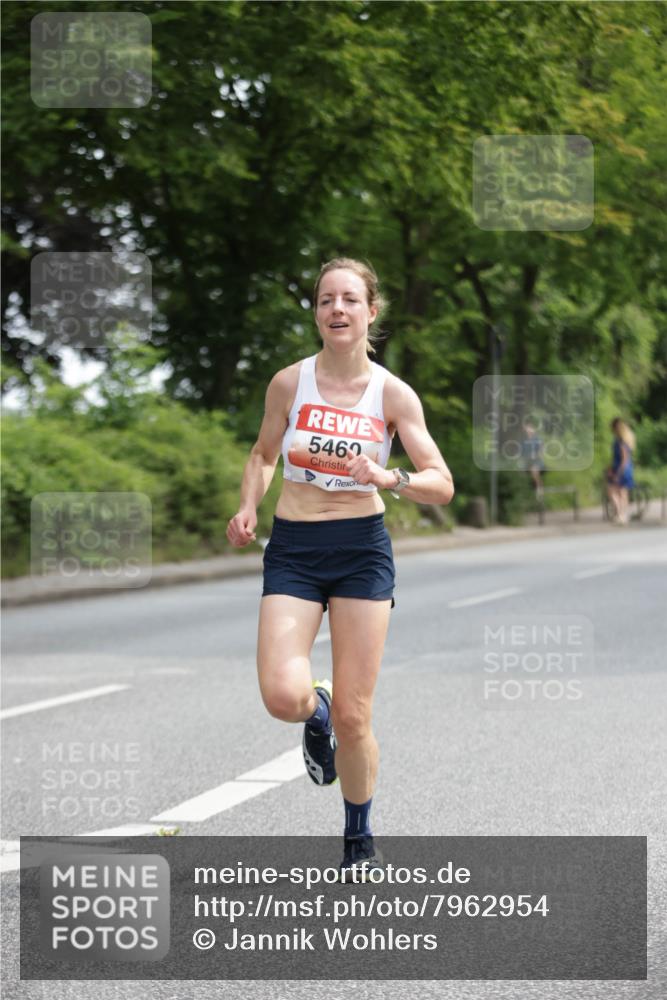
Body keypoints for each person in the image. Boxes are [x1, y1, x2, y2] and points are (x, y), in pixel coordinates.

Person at [226, 257, 454, 880]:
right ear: (318, 312)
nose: (337, 310)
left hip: (361, 550)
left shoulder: (392, 394)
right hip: (295, 549)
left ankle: (358, 837)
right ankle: (314, 712)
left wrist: (390, 476)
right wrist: (249, 505)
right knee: (282, 695)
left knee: (359, 715)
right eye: (327, 299)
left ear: (370, 311)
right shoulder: (287, 383)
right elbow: (263, 452)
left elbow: (442, 483)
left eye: (350, 299)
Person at [606, 417, 636, 525]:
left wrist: (617, 473)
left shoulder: (621, 442)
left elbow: (624, 460)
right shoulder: (624, 440)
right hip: (623, 468)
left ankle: (621, 515)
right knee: (622, 493)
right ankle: (622, 515)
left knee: (614, 491)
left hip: (622, 469)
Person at [521, 419, 546, 499]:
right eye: (526, 428)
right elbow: (521, 453)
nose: (527, 430)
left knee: (534, 471)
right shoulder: (523, 441)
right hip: (527, 462)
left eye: (529, 428)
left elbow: (541, 451)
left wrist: (535, 455)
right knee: (520, 473)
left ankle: (540, 490)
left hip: (537, 462)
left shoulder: (537, 439)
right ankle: (524, 494)